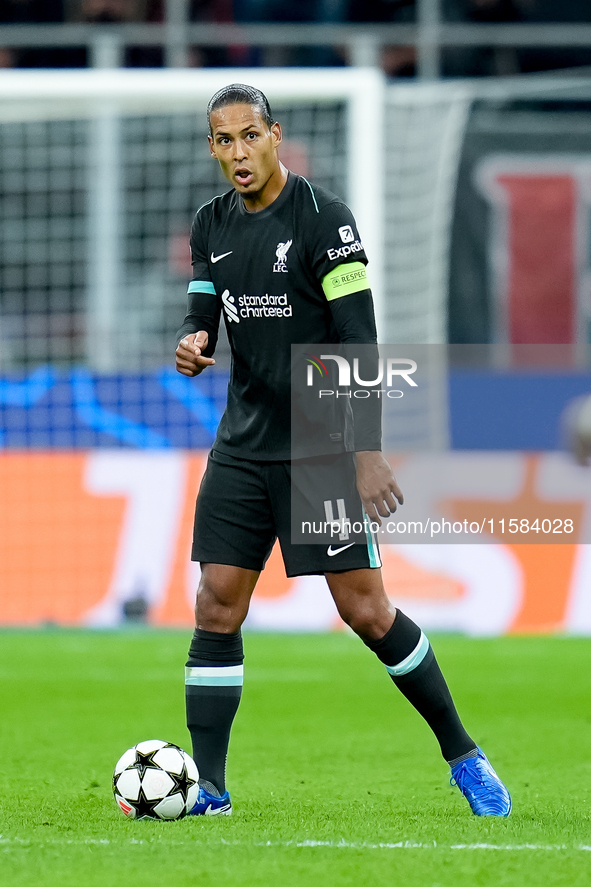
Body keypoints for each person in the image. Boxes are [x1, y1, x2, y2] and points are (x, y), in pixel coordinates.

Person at [175, 83, 511, 818]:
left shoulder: (326, 221)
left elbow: (358, 338)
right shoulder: (210, 224)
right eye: (223, 140)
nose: (237, 151)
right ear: (212, 147)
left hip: (323, 441)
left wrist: (366, 452)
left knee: (365, 611)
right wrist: (196, 339)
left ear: (274, 134)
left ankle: (462, 752)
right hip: (242, 442)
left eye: (249, 135)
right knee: (215, 604)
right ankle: (211, 788)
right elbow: (204, 306)